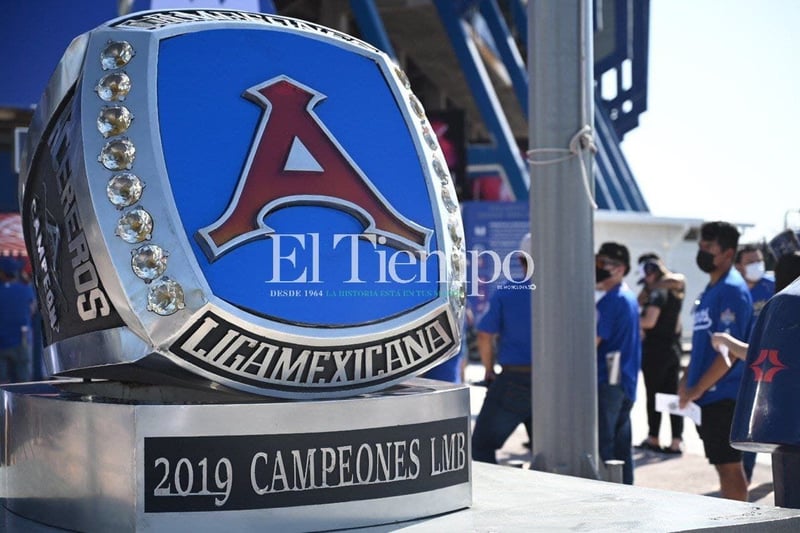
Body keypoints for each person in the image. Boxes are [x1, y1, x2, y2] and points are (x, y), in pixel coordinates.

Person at [679, 221, 752, 501]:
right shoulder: (710, 291)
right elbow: (700, 348)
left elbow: (729, 354)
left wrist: (696, 389)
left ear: (727, 253)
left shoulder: (732, 290)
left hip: (724, 396)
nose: (702, 252)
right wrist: (685, 383)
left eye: (709, 247)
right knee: (722, 465)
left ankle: (737, 524)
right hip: (707, 398)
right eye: (700, 246)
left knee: (729, 466)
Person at [471, 233, 534, 463]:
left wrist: (489, 370)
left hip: (515, 381)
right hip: (556, 385)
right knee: (552, 451)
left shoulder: (508, 292)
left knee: (480, 447)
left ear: (520, 259)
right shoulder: (566, 295)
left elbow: (485, 335)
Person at [595, 242, 641, 484]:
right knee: (621, 448)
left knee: (605, 447)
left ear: (621, 268)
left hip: (609, 382)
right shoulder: (628, 296)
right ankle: (627, 494)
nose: (598, 269)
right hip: (625, 381)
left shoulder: (612, 301)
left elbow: (591, 342)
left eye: (604, 264)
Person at [635, 253, 685, 454]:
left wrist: (629, 322)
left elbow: (649, 321)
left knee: (654, 396)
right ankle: (676, 440)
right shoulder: (673, 289)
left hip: (656, 351)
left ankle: (654, 437)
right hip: (672, 348)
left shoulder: (657, 293)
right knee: (671, 396)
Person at [0, 256, 36, 384]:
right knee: (23, 383)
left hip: (2, 343)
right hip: (22, 340)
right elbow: (32, 310)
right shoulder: (26, 289)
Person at [735, 244, 775, 331]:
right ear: (738, 267)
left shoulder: (774, 285)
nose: (756, 265)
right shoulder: (734, 292)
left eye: (759, 261)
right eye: (750, 262)